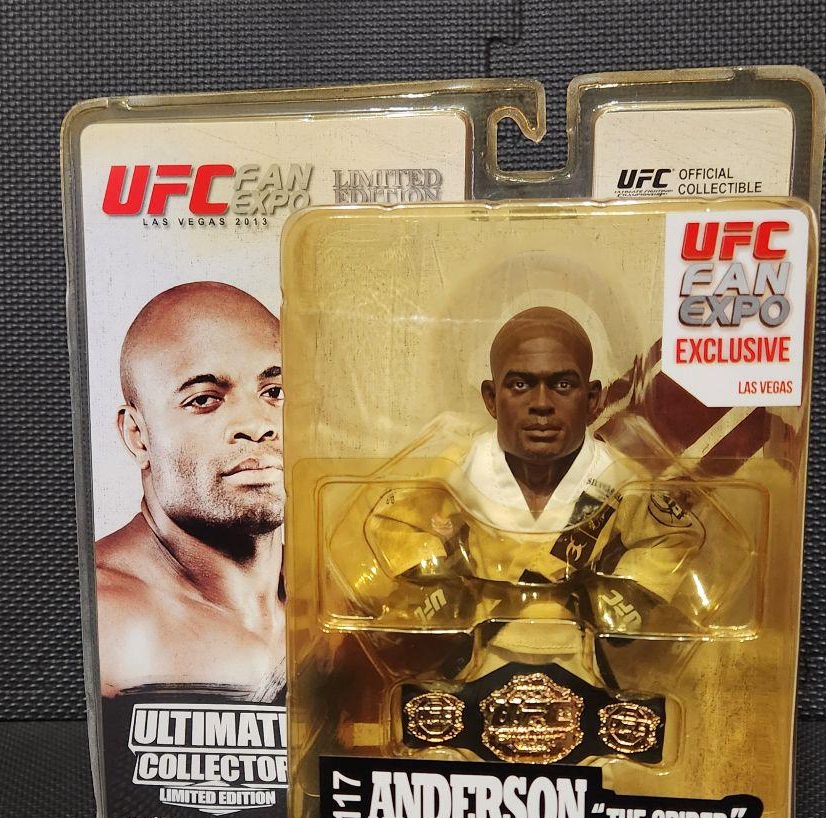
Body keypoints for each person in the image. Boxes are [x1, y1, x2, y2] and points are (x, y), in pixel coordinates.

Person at [328, 307, 712, 764]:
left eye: (562, 385)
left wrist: (625, 597)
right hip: (482, 643)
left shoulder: (615, 477)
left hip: (579, 649)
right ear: (491, 398)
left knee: (592, 764)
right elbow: (392, 521)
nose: (541, 404)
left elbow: (672, 537)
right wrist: (437, 579)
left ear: (592, 399)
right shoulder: (461, 466)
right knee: (459, 757)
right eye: (520, 384)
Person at [95, 281, 285, 700]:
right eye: (204, 400)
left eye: (274, 392)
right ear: (138, 435)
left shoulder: (349, 603)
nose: (258, 425)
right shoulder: (93, 617)